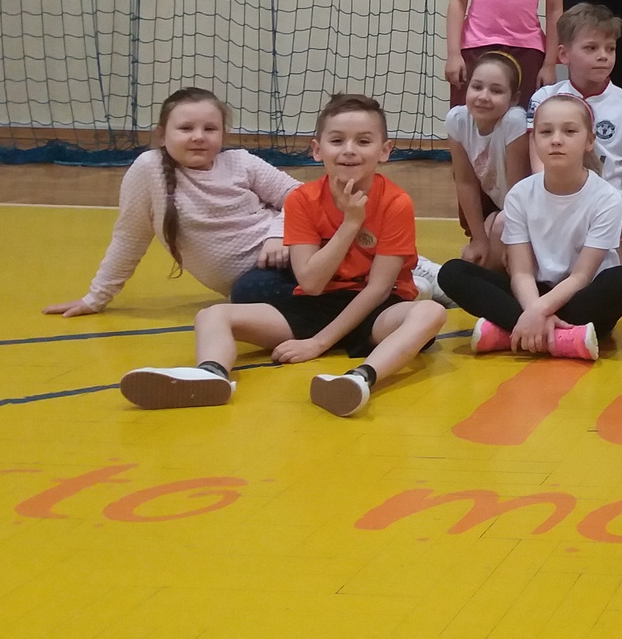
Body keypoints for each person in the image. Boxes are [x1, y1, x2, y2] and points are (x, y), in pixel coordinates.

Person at [117, 94, 446, 417]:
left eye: (363, 141)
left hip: (372, 311)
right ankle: (210, 375)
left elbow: (378, 289)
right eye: (336, 140)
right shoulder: (302, 200)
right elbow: (312, 283)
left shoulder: (396, 202)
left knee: (430, 312)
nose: (349, 150)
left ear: (384, 150)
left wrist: (318, 343)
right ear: (317, 149)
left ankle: (358, 380)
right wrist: (350, 225)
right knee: (212, 315)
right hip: (315, 304)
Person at [43, 86, 297, 317]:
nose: (199, 137)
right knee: (248, 294)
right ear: (162, 135)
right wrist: (96, 298)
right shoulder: (149, 169)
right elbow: (129, 238)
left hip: (297, 250)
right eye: (186, 128)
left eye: (210, 129)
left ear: (223, 134)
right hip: (258, 280)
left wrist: (279, 235)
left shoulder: (241, 162)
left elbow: (300, 195)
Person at [440, 93, 622, 360]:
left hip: (580, 293)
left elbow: (581, 277)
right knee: (453, 272)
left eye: (569, 131)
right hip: (533, 291)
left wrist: (535, 313)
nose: (556, 139)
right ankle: (562, 338)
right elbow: (521, 273)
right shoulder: (520, 194)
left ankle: (513, 331)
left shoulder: (606, 198)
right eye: (546, 132)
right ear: (534, 141)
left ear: (590, 141)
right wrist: (534, 308)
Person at [530, 3, 622, 258]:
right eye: (591, 48)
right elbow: (538, 168)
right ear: (563, 55)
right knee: (500, 228)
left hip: (606, 215)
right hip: (553, 211)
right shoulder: (544, 99)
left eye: (610, 48)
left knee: (620, 275)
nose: (603, 56)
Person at [444, 52, 530, 270]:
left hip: (529, 214)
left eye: (496, 91)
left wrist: (513, 243)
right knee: (474, 258)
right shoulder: (457, 120)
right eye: (476, 87)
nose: (484, 96)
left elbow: (518, 190)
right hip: (503, 211)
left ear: (514, 99)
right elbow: (465, 182)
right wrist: (479, 239)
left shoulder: (514, 121)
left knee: (498, 247)